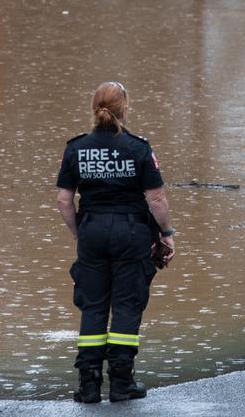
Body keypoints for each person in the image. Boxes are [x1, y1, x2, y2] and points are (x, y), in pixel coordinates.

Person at [57, 82, 175, 404]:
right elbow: (157, 199)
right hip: (131, 232)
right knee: (126, 304)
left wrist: (80, 235)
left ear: (94, 108)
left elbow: (65, 200)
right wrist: (166, 233)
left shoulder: (76, 148)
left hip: (92, 229)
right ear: (125, 109)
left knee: (93, 305)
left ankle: (89, 385)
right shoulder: (138, 148)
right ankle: (121, 382)